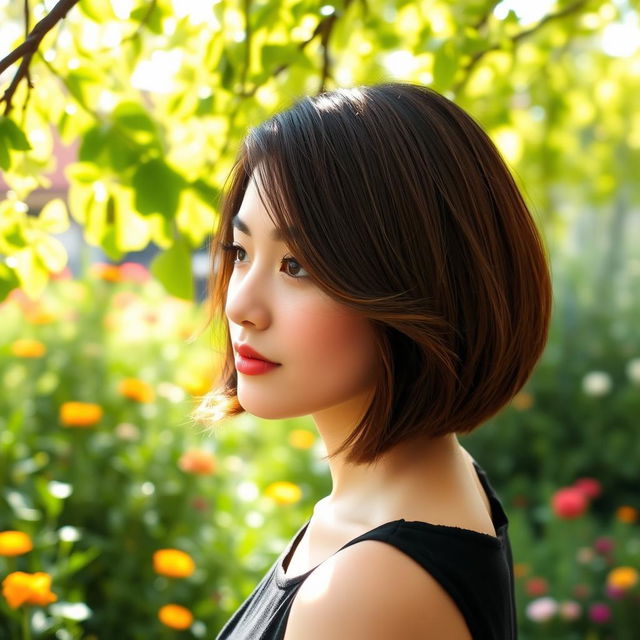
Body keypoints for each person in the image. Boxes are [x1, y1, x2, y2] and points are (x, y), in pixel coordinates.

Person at [194, 82, 552, 639]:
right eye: (241, 253)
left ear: (419, 283)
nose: (240, 305)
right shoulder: (428, 486)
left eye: (297, 266)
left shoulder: (363, 592)